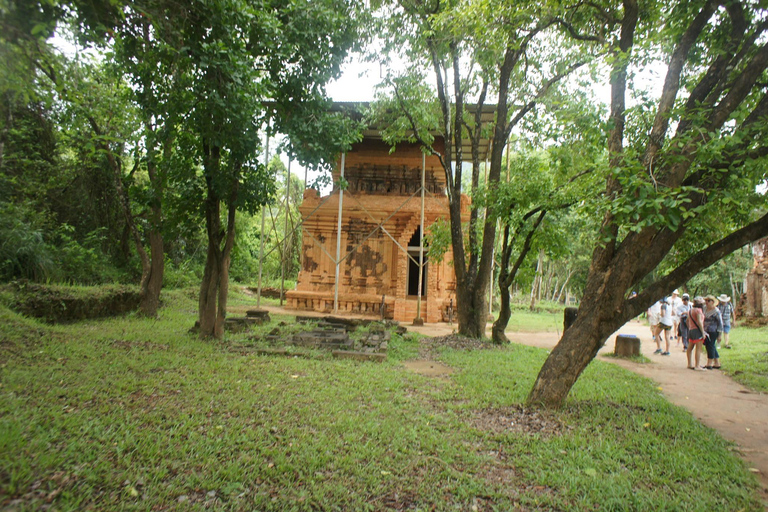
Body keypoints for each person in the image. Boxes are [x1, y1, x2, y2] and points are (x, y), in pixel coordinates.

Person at [702, 295, 723, 369]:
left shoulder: (716, 311)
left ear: (713, 302)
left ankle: (709, 363)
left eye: (708, 301)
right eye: (706, 301)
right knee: (710, 346)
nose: (707, 302)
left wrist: (720, 335)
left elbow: (720, 323)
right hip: (705, 331)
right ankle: (717, 362)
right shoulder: (704, 308)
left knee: (710, 346)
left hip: (713, 331)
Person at [686, 297, 707, 370]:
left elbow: (687, 321)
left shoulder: (690, 310)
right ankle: (697, 365)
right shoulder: (699, 311)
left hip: (691, 330)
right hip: (697, 331)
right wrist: (703, 332)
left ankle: (689, 363)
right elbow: (699, 322)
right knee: (698, 348)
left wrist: (690, 328)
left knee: (690, 347)